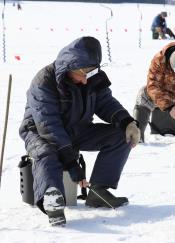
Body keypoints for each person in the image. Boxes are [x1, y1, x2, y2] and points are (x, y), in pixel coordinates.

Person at [18, 36, 140, 226]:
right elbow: (48, 125)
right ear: (68, 67)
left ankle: (98, 191)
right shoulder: (43, 82)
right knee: (47, 153)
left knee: (120, 136)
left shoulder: (90, 78)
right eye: (81, 74)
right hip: (40, 132)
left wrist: (127, 122)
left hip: (77, 129)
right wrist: (72, 163)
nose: (85, 80)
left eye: (88, 75)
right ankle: (52, 201)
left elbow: (106, 103)